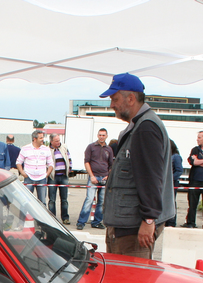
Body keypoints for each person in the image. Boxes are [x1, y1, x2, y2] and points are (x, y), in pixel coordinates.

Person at [99, 73, 174, 259]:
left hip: (132, 230)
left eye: (115, 99)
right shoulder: (140, 126)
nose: (112, 105)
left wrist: (148, 219)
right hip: (127, 226)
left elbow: (150, 176)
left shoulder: (146, 128)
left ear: (131, 98)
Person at [76, 128, 113, 230]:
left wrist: (108, 176)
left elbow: (111, 165)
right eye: (100, 135)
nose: (101, 137)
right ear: (97, 135)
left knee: (101, 201)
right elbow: (86, 162)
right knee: (89, 199)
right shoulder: (91, 147)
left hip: (104, 178)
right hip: (93, 177)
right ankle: (81, 222)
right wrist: (91, 176)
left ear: (106, 136)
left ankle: (97, 222)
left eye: (103, 135)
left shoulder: (109, 149)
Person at [16, 130, 53, 204]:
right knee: (26, 201)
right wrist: (23, 173)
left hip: (42, 178)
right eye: (41, 138)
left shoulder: (46, 149)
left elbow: (51, 164)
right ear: (34, 139)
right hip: (29, 178)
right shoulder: (25, 148)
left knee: (42, 202)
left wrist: (47, 174)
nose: (43, 139)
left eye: (43, 137)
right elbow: (18, 162)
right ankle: (25, 215)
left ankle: (41, 215)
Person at [48, 134, 72, 224]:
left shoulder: (64, 148)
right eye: (56, 141)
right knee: (52, 199)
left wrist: (69, 170)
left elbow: (69, 159)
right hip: (53, 177)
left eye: (59, 140)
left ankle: (65, 218)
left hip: (63, 177)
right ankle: (52, 218)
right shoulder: (48, 150)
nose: (58, 142)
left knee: (64, 199)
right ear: (52, 142)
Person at [164, 139, 183, 227]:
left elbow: (179, 170)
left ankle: (171, 222)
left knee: (171, 202)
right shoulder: (166, 155)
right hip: (164, 182)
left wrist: (170, 179)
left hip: (172, 183)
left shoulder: (176, 156)